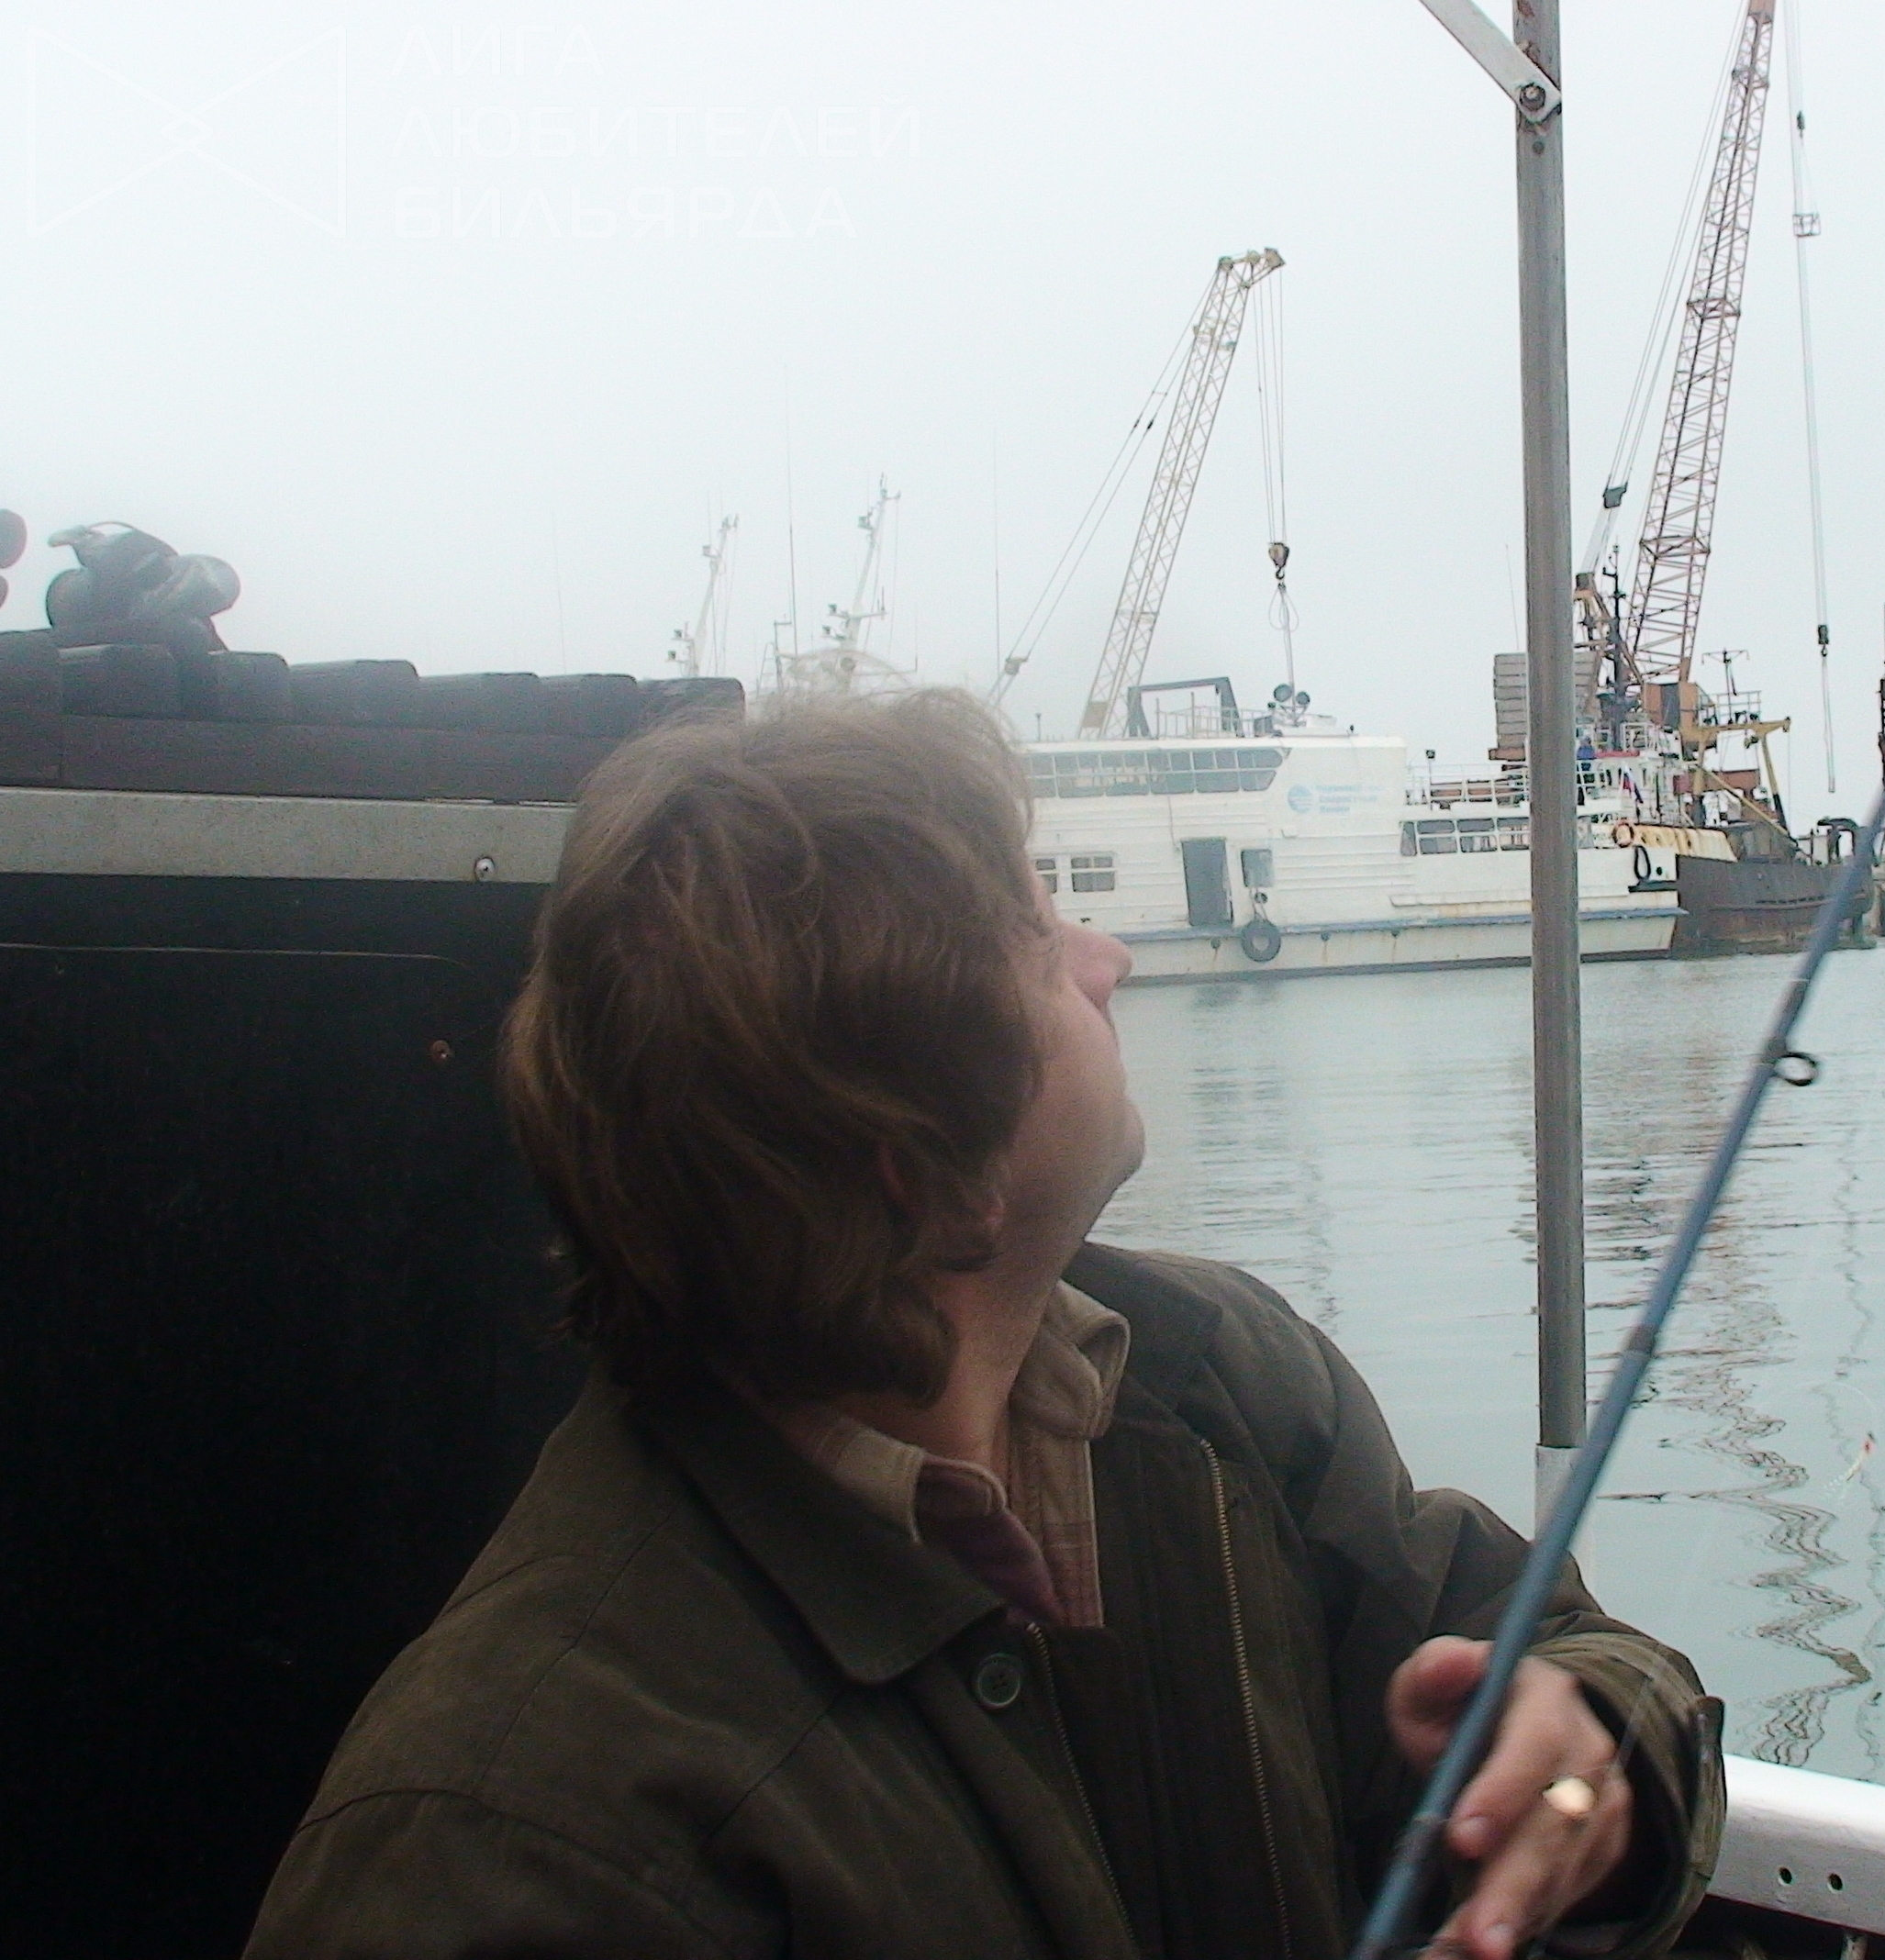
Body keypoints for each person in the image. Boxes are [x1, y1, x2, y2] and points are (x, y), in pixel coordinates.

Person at [245, 692, 1725, 1960]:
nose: (1107, 960)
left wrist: (1595, 1757)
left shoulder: (1219, 1385)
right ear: (918, 1159)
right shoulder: (510, 1840)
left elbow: (1557, 1645)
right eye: (1038, 937)